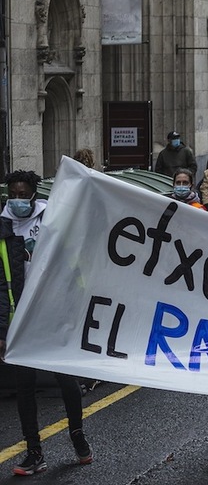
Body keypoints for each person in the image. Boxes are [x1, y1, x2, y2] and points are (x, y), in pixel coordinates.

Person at [0, 170, 93, 475]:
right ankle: (33, 451)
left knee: (66, 380)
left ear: (33, 194)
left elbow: (72, 263)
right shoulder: (2, 228)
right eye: (12, 193)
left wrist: (77, 306)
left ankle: (77, 436)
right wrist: (2, 329)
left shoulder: (51, 221)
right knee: (24, 386)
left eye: (22, 193)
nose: (17, 199)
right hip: (20, 321)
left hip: (54, 315)